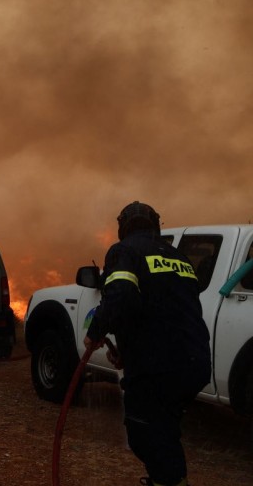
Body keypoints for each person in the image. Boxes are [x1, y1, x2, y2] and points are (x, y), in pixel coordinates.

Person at [84, 201, 211, 486]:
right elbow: (164, 310)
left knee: (144, 431)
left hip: (158, 366)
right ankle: (169, 479)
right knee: (164, 430)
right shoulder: (178, 256)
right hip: (194, 362)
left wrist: (95, 331)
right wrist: (128, 353)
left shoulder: (124, 251)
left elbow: (121, 296)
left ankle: (168, 481)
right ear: (155, 224)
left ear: (122, 227)